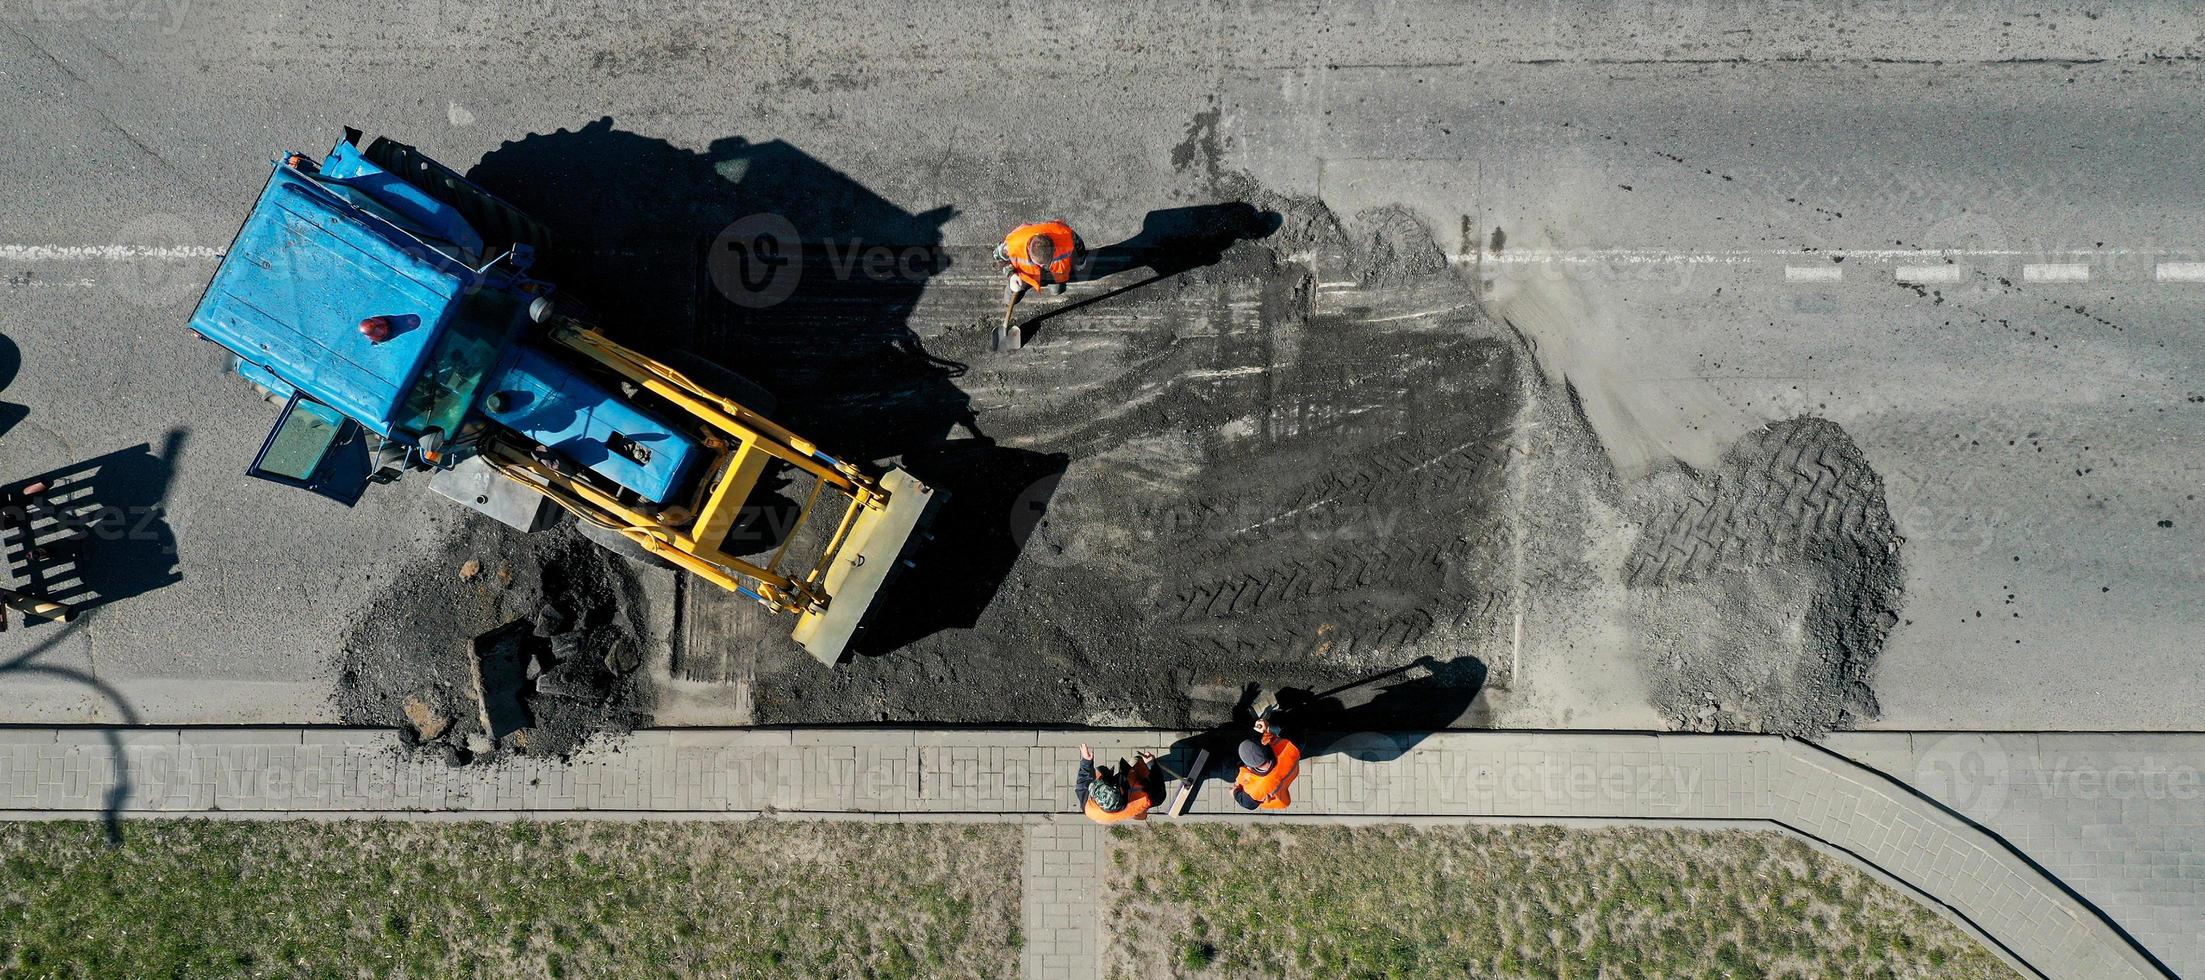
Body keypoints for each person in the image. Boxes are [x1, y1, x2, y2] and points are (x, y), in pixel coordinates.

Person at [994, 219, 1084, 304]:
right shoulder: (1012, 245)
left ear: (1054, 249)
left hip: (1055, 272)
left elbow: (1079, 246)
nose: (1041, 266)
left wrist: (1080, 262)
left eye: (1046, 262)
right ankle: (1010, 298)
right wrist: (1011, 275)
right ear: (1029, 249)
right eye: (1038, 263)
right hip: (1025, 275)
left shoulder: (1066, 235)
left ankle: (1055, 286)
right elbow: (997, 257)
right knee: (1010, 299)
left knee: (1056, 290)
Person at [1075, 742, 1163, 824]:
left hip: (1118, 813)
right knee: (1136, 760)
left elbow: (1082, 782)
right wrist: (1151, 763)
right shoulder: (1145, 799)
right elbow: (1160, 789)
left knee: (1100, 771)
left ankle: (1137, 815)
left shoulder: (1088, 806)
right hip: (1136, 803)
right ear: (1121, 791)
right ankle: (1140, 814)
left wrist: (1086, 761)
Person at [1231, 715, 1301, 811]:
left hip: (1280, 799)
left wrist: (1235, 792)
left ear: (1249, 766)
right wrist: (1269, 728)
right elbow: (1299, 738)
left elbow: (1247, 803)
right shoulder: (1289, 749)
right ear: (1265, 746)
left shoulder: (1256, 789)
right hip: (1290, 774)